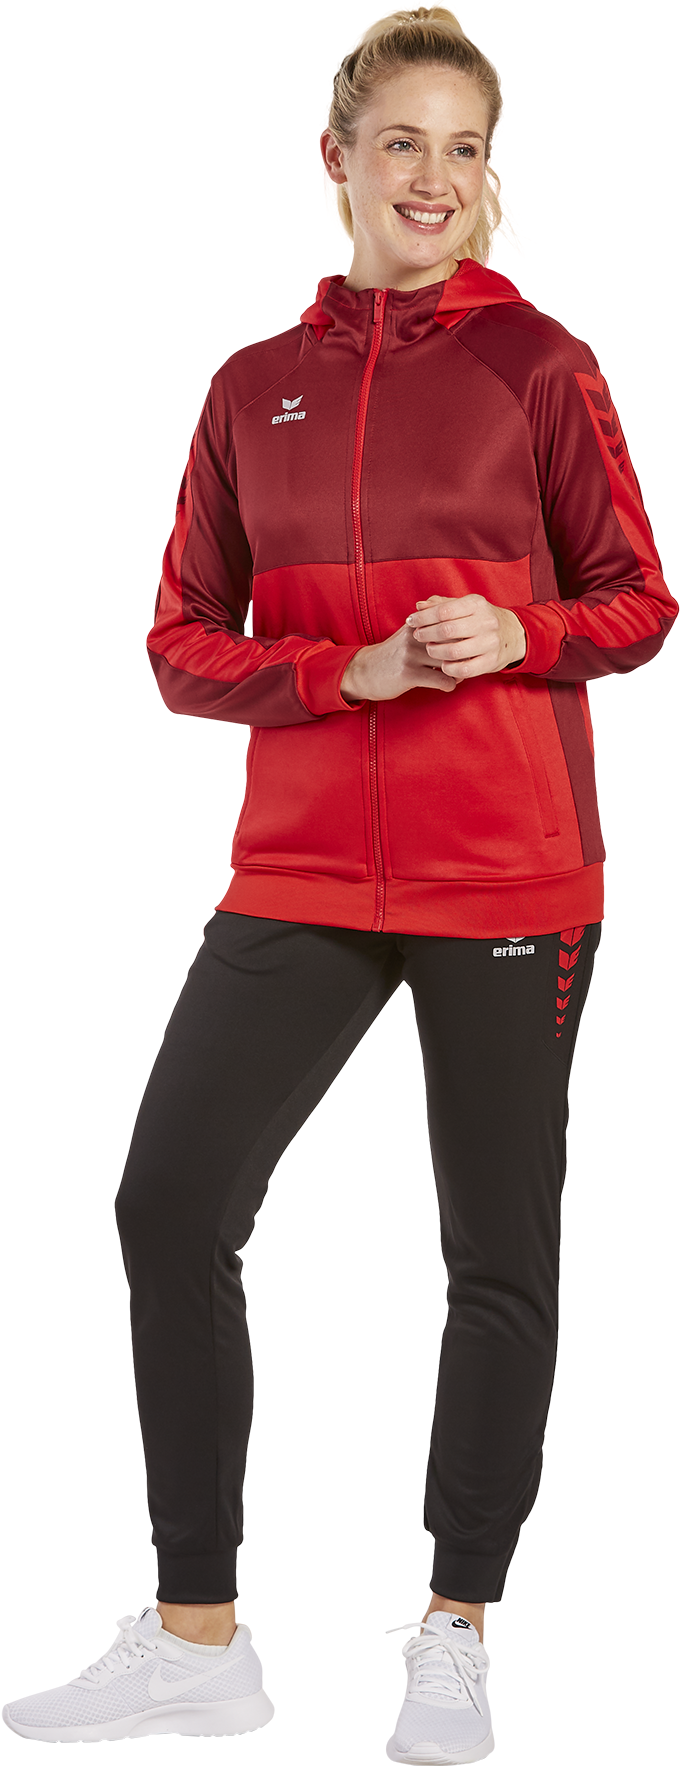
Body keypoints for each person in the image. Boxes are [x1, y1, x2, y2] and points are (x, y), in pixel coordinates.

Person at [3, 7, 677, 1760]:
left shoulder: (543, 366)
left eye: (464, 147)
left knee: (498, 1250)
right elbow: (177, 640)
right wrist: (337, 674)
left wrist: (520, 633)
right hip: (301, 867)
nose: (432, 177)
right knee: (169, 1202)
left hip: (509, 870)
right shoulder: (252, 388)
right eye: (401, 142)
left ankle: (456, 1631)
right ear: (339, 158)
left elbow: (638, 599)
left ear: (489, 171)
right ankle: (197, 1638)